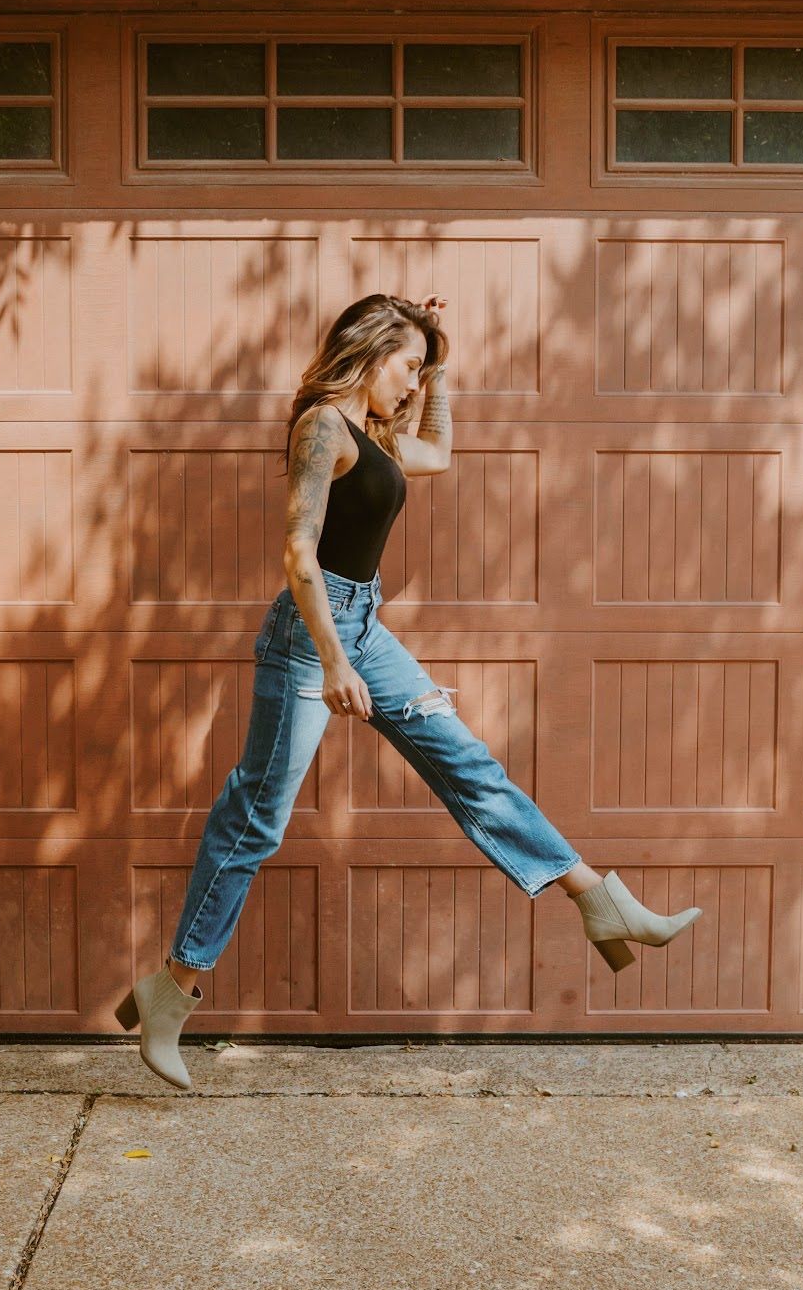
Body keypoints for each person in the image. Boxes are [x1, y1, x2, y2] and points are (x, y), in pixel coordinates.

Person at [115, 292, 701, 1088]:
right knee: (256, 817)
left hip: (363, 625)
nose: (413, 386)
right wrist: (334, 663)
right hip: (310, 636)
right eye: (407, 368)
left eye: (421, 372)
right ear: (369, 350)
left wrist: (442, 365)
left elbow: (439, 453)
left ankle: (595, 895)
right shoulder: (323, 424)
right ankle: (171, 990)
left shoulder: (378, 436)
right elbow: (298, 551)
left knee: (466, 762)